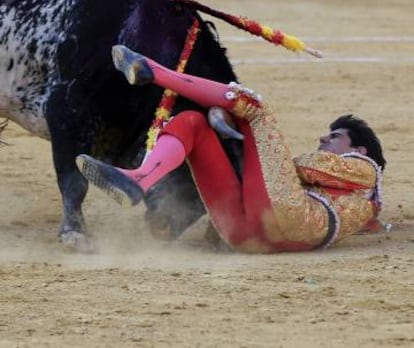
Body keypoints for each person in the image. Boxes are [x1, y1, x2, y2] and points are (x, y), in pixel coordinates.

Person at [77, 44, 386, 254]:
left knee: (254, 107)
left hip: (290, 219)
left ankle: (153, 72)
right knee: (192, 124)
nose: (323, 139)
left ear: (360, 149)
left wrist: (240, 129)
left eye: (334, 136)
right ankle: (139, 178)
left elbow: (305, 167)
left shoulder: (366, 171)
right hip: (247, 236)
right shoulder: (363, 204)